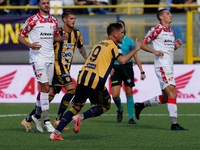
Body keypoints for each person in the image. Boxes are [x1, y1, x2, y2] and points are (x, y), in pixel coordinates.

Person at [49, 22, 142, 140]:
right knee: (106, 105)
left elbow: (99, 59)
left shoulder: (99, 43)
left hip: (83, 76)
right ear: (115, 34)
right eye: (122, 33)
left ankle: (55, 133)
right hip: (95, 79)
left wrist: (109, 68)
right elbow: (122, 60)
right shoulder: (113, 46)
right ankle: (80, 118)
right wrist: (135, 49)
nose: (123, 35)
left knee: (76, 106)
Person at [20, 9, 87, 133]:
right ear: (64, 20)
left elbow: (81, 47)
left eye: (74, 18)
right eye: (71, 18)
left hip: (65, 68)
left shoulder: (77, 33)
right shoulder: (57, 34)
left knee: (48, 97)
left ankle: (29, 118)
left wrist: (88, 60)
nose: (73, 21)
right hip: (56, 67)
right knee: (72, 89)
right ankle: (58, 119)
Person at [18, 0, 68, 133]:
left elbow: (55, 37)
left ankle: (36, 117)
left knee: (44, 90)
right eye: (44, 3)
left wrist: (62, 38)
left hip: (50, 58)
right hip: (37, 59)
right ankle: (47, 121)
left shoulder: (53, 20)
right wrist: (30, 45)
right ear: (38, 6)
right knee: (45, 88)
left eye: (48, 3)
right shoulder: (32, 20)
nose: (46, 5)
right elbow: (20, 37)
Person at [134, 9, 188, 131]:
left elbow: (166, 50)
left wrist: (175, 46)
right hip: (162, 66)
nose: (171, 15)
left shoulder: (171, 31)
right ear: (161, 17)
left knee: (165, 98)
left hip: (169, 65)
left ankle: (140, 105)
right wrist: (153, 51)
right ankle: (174, 124)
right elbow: (142, 44)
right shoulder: (156, 29)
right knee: (173, 92)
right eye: (168, 14)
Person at [110, 20, 146, 124]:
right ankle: (120, 108)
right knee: (115, 95)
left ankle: (131, 118)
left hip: (127, 68)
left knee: (129, 92)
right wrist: (109, 67)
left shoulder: (129, 41)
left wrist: (142, 71)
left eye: (121, 27)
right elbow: (107, 56)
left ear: (124, 28)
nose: (120, 29)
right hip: (115, 68)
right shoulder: (111, 42)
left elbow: (135, 56)